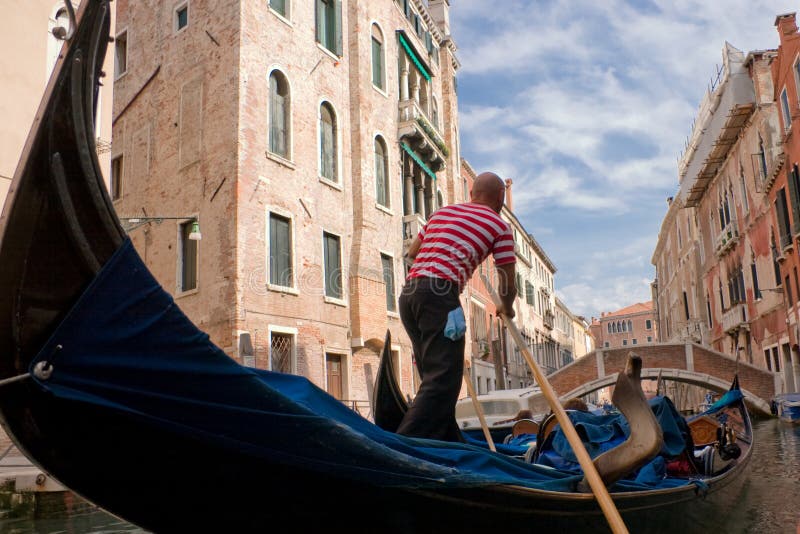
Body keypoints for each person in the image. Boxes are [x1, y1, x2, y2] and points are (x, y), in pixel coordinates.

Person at [397, 172, 517, 442]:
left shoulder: (442, 213)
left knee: (433, 377)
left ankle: (447, 439)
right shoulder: (500, 227)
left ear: (472, 195)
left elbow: (414, 251)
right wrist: (507, 307)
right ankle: (405, 444)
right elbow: (507, 279)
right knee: (443, 381)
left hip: (410, 293)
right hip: (440, 297)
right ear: (500, 199)